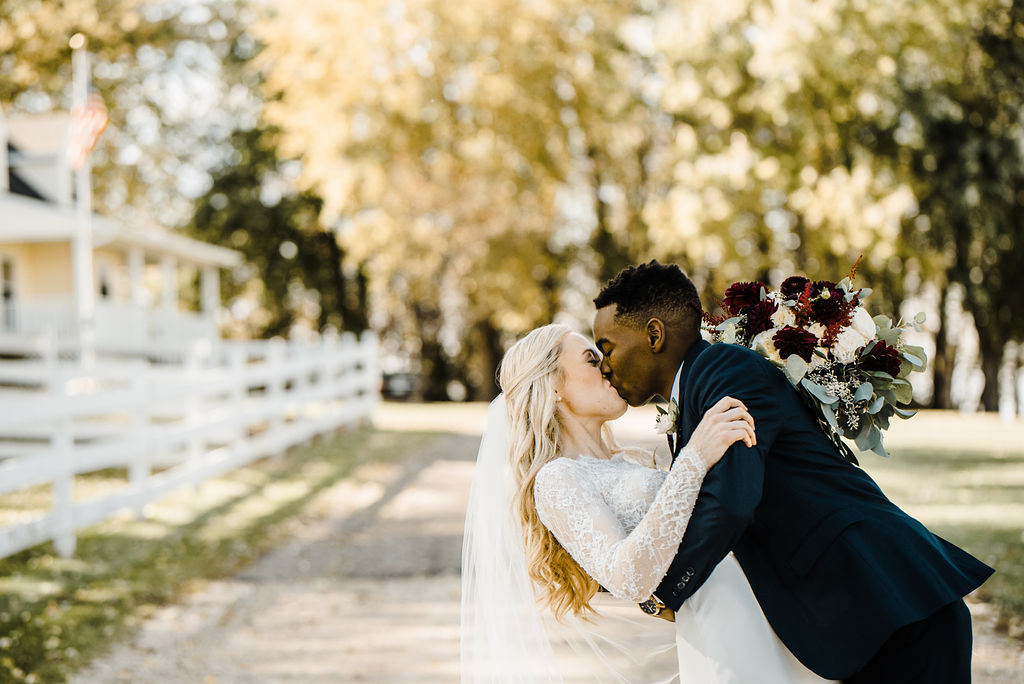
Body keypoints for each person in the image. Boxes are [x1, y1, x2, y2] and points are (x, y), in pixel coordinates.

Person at [591, 260, 995, 683]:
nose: (604, 366)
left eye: (607, 347)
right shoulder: (698, 388)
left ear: (654, 334)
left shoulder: (724, 369)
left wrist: (664, 590)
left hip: (895, 604)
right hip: (862, 616)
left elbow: (731, 500)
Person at [461, 323, 833, 683]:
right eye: (592, 359)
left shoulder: (629, 461)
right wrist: (694, 458)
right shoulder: (557, 479)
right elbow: (628, 578)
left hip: (769, 594)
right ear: (554, 386)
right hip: (721, 612)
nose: (608, 367)